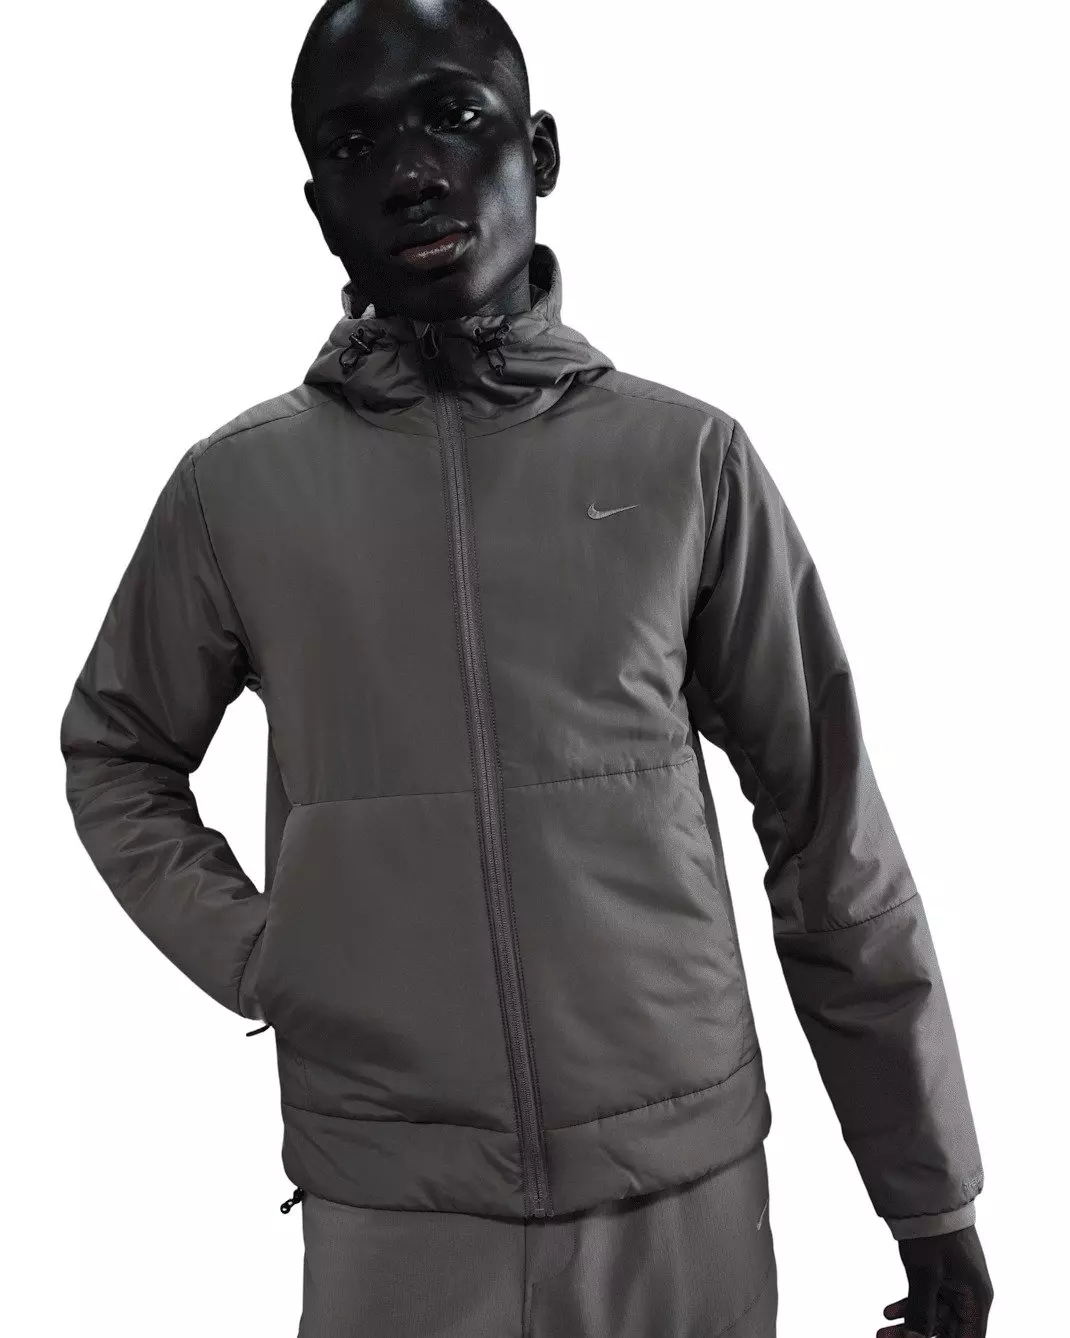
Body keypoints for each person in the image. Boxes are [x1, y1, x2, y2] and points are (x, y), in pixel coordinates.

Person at [58, 1, 994, 1334]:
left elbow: (827, 828)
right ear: (319, 207)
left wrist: (928, 1191)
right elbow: (116, 753)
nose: (410, 170)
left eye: (453, 117)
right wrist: (265, 953)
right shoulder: (235, 494)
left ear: (538, 150)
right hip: (396, 1198)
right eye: (355, 143)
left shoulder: (687, 463)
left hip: (678, 1195)